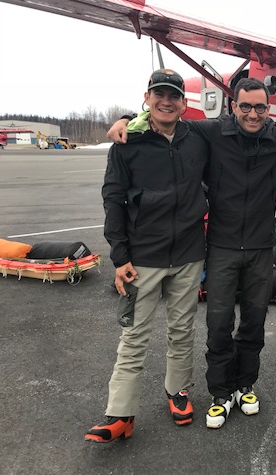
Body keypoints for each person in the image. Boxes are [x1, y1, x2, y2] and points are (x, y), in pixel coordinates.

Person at [108, 77, 276, 430]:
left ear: (269, 110)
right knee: (218, 325)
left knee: (254, 323)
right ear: (233, 106)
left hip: (261, 248)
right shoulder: (211, 132)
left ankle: (245, 385)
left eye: (260, 108)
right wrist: (128, 118)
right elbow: (167, 119)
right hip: (220, 247)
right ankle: (221, 393)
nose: (253, 114)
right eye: (246, 106)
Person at [86, 69, 209, 442]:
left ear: (185, 104)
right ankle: (120, 414)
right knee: (135, 335)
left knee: (182, 329)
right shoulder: (127, 142)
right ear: (147, 97)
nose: (166, 101)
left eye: (174, 95)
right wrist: (120, 257)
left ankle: (177, 391)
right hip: (143, 259)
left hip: (188, 254)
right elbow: (114, 199)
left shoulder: (199, 138)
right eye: (160, 94)